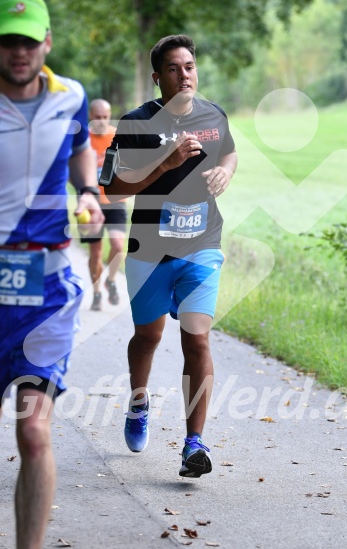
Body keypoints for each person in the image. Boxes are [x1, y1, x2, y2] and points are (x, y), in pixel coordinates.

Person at [0, 0, 104, 549]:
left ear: (47, 41)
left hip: (46, 290)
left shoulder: (70, 96)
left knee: (35, 431)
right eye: (7, 41)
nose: (19, 52)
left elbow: (80, 143)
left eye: (28, 41)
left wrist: (86, 189)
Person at [105, 34, 237, 478]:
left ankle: (193, 444)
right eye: (175, 69)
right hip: (149, 249)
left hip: (202, 243)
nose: (185, 75)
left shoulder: (212, 115)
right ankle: (139, 403)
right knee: (148, 337)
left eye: (190, 66)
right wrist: (164, 162)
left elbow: (231, 153)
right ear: (157, 76)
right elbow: (115, 189)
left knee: (196, 337)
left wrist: (224, 171)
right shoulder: (136, 122)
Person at [85, 98, 127, 311]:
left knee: (119, 245)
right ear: (91, 116)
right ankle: (97, 293)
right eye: (97, 117)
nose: (101, 121)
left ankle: (111, 280)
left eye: (105, 117)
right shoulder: (83, 139)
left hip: (115, 200)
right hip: (91, 202)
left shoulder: (117, 137)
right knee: (95, 252)